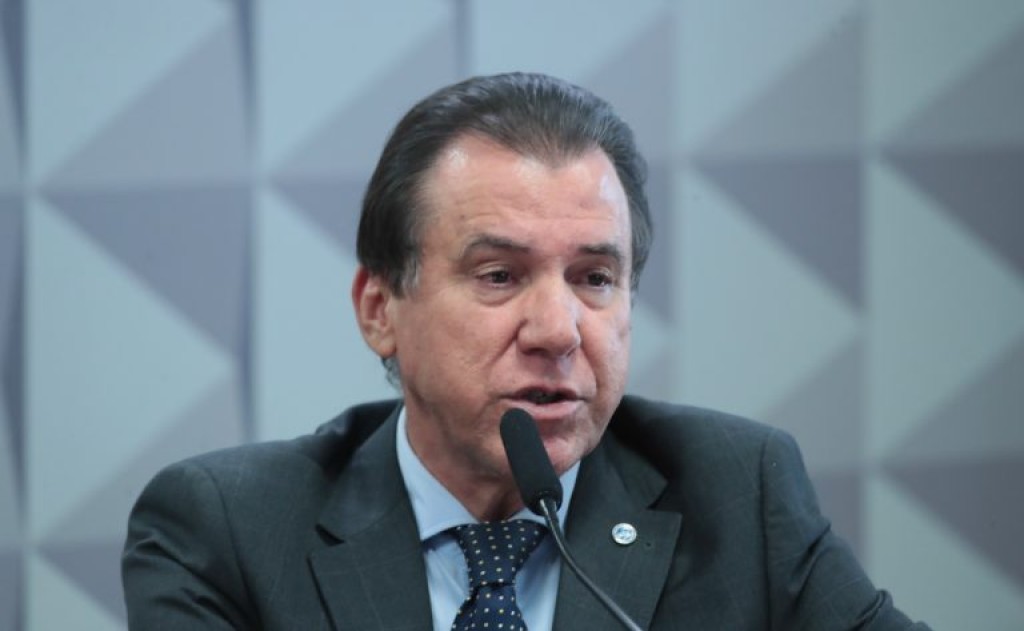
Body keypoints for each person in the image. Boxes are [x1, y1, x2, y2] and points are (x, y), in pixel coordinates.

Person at [122, 72, 930, 630]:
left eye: (595, 278)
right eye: (500, 275)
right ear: (379, 309)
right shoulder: (225, 532)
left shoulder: (738, 493)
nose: (558, 330)